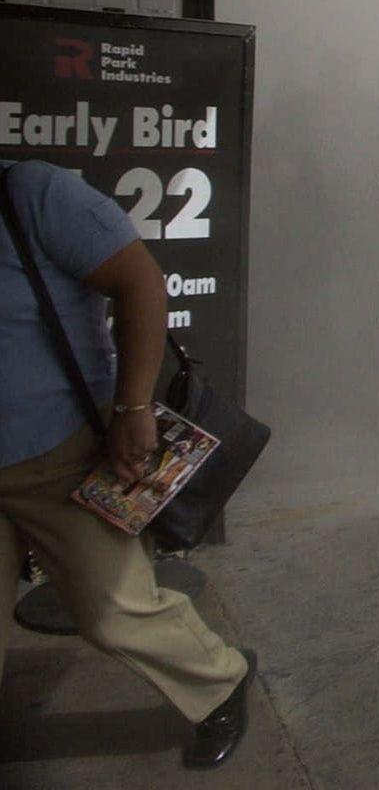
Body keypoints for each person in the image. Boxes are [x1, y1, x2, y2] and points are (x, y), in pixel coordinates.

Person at [0, 158, 256, 770]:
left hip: (57, 453)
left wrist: (133, 407)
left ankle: (220, 681)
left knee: (115, 611)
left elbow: (140, 282)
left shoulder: (32, 193)